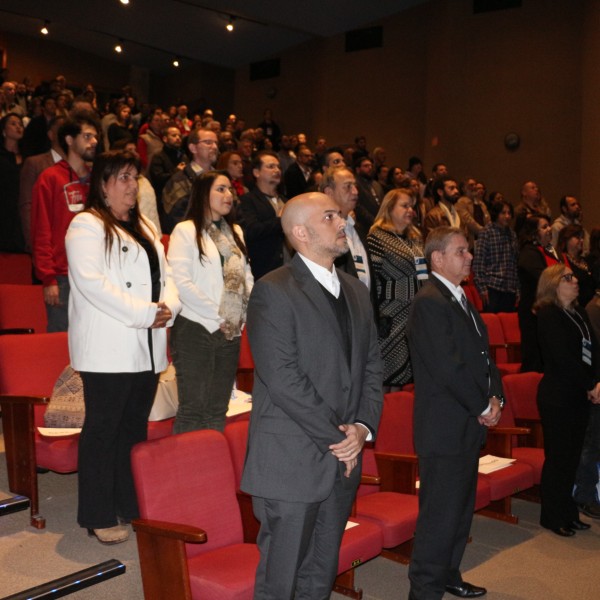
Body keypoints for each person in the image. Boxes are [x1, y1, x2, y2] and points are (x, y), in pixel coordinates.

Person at [241, 192, 383, 600]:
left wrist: (363, 427)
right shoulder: (273, 290)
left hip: (343, 460)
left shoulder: (356, 291)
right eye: (330, 216)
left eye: (340, 215)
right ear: (300, 232)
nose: (342, 223)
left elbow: (373, 367)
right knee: (280, 582)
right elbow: (283, 378)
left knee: (319, 579)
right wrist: (342, 437)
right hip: (291, 462)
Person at [65, 150, 180, 545]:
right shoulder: (86, 225)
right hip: (108, 346)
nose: (132, 185)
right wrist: (147, 313)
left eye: (135, 177)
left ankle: (128, 502)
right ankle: (96, 513)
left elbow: (168, 275)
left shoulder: (146, 224)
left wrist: (169, 308)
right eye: (124, 177)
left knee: (132, 429)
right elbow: (93, 285)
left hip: (147, 346)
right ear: (103, 183)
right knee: (103, 430)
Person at [406, 226, 503, 600]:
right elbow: (449, 368)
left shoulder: (462, 300)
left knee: (460, 513)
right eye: (461, 251)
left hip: (467, 425)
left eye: (469, 251)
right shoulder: (429, 301)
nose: (469, 257)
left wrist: (497, 399)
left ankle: (448, 574)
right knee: (439, 517)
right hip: (444, 428)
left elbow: (485, 360)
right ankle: (425, 591)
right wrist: (482, 405)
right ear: (438, 259)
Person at [168, 171, 253, 433]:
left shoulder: (235, 231)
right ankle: (183, 470)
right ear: (203, 193)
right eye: (221, 189)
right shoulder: (186, 230)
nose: (229, 195)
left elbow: (246, 277)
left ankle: (208, 468)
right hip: (196, 327)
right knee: (193, 409)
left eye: (230, 190)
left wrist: (241, 314)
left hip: (230, 330)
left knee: (217, 409)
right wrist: (220, 314)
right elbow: (182, 283)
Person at [534, 263, 600, 536]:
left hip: (580, 395)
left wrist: (596, 382)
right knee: (559, 458)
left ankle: (569, 512)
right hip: (558, 395)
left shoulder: (579, 312)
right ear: (553, 284)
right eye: (568, 278)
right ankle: (552, 516)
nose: (575, 282)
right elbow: (562, 359)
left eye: (574, 277)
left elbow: (593, 351)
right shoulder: (549, 315)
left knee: (573, 457)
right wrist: (588, 384)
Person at [31, 112, 100, 331]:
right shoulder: (50, 178)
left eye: (96, 137)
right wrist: (48, 278)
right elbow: (41, 230)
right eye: (87, 136)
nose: (94, 142)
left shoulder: (98, 181)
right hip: (61, 276)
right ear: (69, 140)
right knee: (61, 343)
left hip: (94, 275)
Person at [367, 188, 427, 389]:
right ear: (389, 208)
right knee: (390, 378)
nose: (411, 210)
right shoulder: (376, 237)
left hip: (416, 315)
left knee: (413, 378)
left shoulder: (415, 238)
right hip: (391, 317)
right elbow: (371, 280)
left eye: (412, 206)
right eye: (405, 205)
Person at [517, 214, 560, 372]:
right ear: (533, 232)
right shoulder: (529, 252)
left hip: (544, 312)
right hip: (532, 313)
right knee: (534, 358)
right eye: (544, 227)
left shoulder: (547, 251)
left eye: (549, 226)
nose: (549, 229)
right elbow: (544, 277)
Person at [472, 200, 519, 312]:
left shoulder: (512, 234)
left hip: (510, 287)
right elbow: (479, 262)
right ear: (496, 214)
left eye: (509, 213)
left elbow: (515, 264)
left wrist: (518, 289)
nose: (507, 216)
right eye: (503, 213)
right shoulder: (486, 232)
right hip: (492, 286)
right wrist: (482, 288)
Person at [0, 112, 25, 252]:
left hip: (22, 207)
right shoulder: (1, 157)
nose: (18, 127)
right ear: (4, 130)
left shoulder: (28, 156)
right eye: (13, 124)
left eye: (21, 124)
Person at [557, 224, 595, 307]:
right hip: (575, 307)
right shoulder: (561, 262)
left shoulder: (586, 260)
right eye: (578, 237)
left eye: (582, 237)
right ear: (566, 240)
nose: (581, 240)